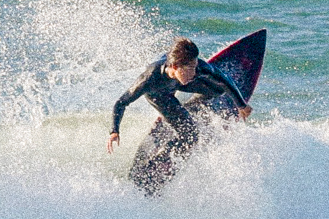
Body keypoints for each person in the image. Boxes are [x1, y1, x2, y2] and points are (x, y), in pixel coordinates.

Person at [106, 37, 252, 158]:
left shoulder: (195, 69)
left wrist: (241, 105)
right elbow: (121, 103)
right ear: (175, 66)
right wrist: (114, 131)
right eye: (190, 69)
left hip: (179, 83)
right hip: (159, 95)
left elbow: (224, 79)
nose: (195, 72)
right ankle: (163, 156)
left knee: (218, 89)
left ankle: (191, 105)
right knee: (191, 135)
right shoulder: (148, 79)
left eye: (195, 66)